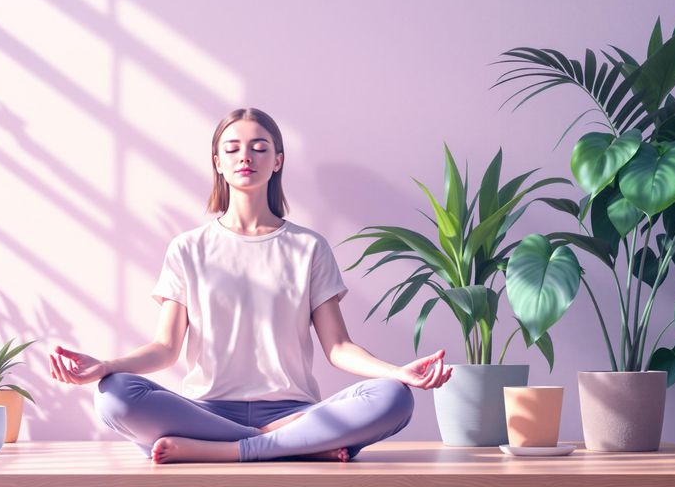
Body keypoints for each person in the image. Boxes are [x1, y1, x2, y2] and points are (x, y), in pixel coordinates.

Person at [49, 108, 452, 464]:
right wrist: (106, 366)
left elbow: (338, 348)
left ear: (277, 161)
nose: (246, 156)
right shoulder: (188, 248)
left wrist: (399, 372)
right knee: (113, 395)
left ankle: (224, 451)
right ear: (218, 163)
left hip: (295, 413)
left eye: (260, 147)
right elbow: (166, 348)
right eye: (233, 148)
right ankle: (291, 447)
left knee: (394, 398)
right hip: (203, 414)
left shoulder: (308, 247)